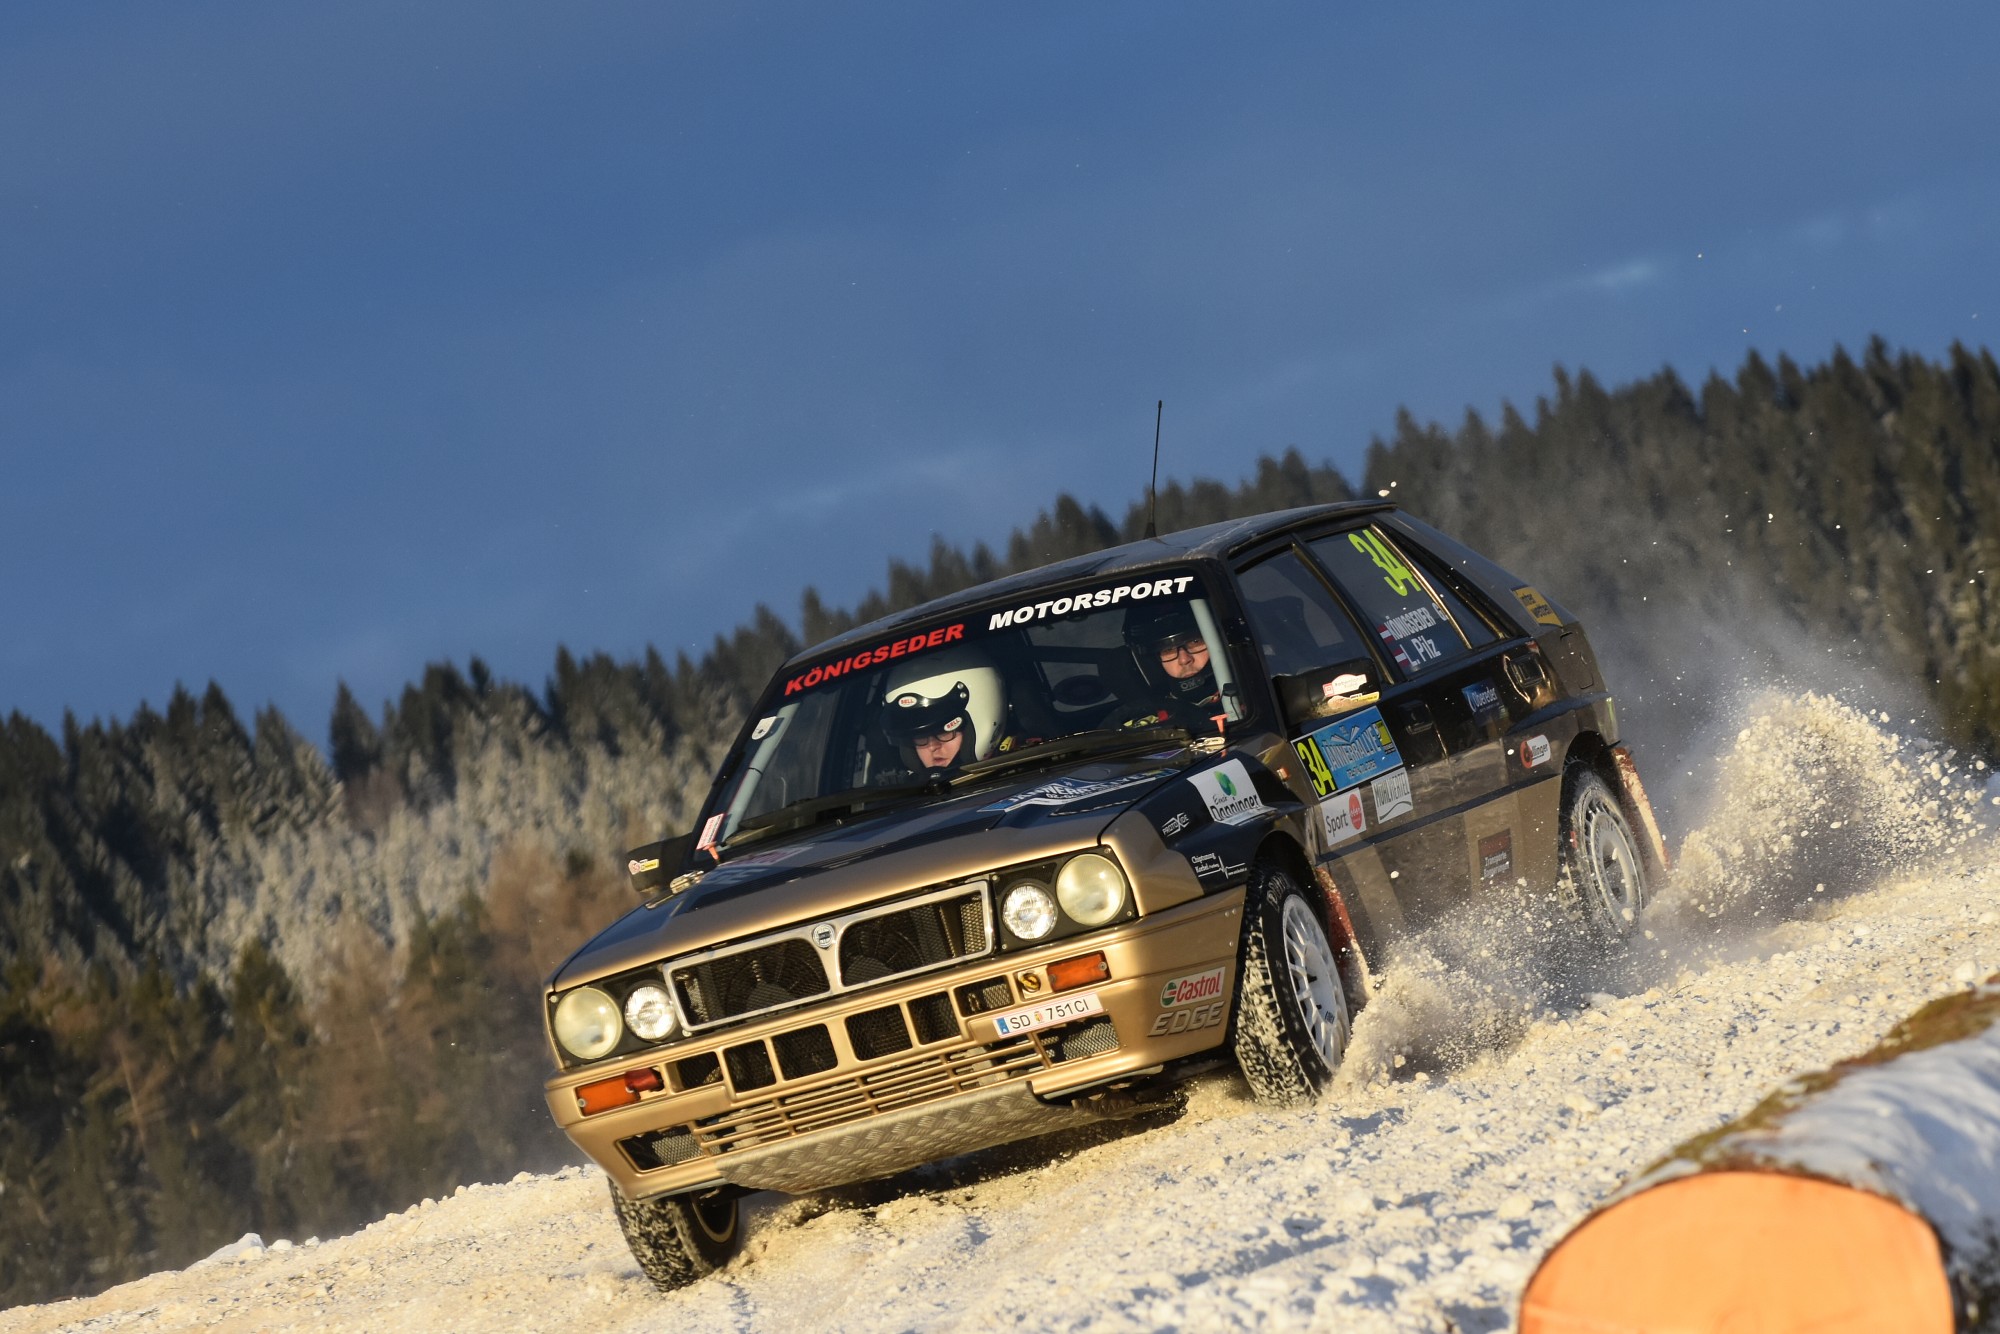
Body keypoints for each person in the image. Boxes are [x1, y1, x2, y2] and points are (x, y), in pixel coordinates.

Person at [1117, 601, 1225, 732]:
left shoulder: (1247, 697)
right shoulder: (1146, 727)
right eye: (1168, 649)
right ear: (1152, 662)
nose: (1184, 660)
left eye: (1195, 641)